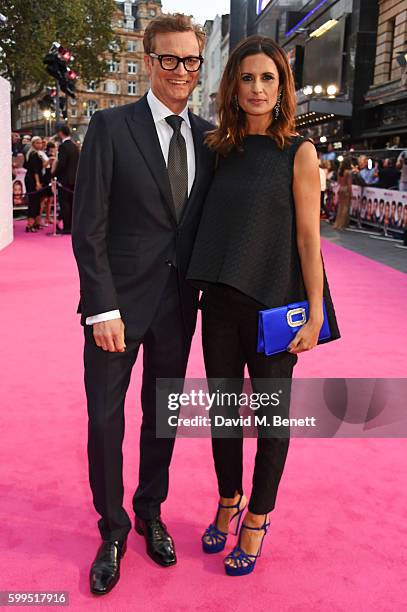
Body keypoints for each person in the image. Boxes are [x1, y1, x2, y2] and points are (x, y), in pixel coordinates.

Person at [72, 13, 214, 595]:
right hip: (118, 307)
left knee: (163, 418)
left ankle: (150, 511)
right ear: (149, 60)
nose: (181, 71)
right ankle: (111, 527)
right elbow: (89, 226)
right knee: (106, 419)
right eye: (169, 59)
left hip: (179, 305)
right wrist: (101, 306)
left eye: (191, 61)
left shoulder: (210, 136)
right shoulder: (110, 126)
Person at [187, 35, 340, 577]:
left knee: (272, 419)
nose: (256, 88)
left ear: (282, 88)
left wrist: (315, 310)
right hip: (220, 307)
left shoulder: (299, 152)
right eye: (247, 78)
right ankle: (228, 498)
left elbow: (307, 237)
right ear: (234, 85)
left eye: (267, 79)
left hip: (274, 307)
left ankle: (257, 515)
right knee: (224, 414)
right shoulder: (219, 149)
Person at [52, 124, 79, 234]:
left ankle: (67, 227)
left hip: (65, 180)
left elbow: (62, 164)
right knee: (72, 203)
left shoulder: (63, 147)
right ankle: (72, 226)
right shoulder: (74, 146)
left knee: (65, 203)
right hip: (74, 179)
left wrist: (54, 174)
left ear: (60, 133)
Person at [23, 136, 47, 232]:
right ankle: (29, 225)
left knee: (37, 201)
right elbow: (35, 170)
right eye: (37, 143)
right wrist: (37, 182)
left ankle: (36, 223)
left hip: (34, 179)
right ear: (33, 144)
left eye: (41, 143)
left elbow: (40, 167)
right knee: (33, 202)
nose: (40, 144)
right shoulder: (33, 154)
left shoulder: (37, 154)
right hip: (32, 180)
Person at [333, 158, 353, 230]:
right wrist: (351, 193)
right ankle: (342, 224)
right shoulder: (348, 172)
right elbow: (349, 184)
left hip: (340, 188)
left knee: (340, 207)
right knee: (345, 207)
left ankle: (337, 224)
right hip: (346, 189)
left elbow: (338, 181)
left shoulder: (339, 171)